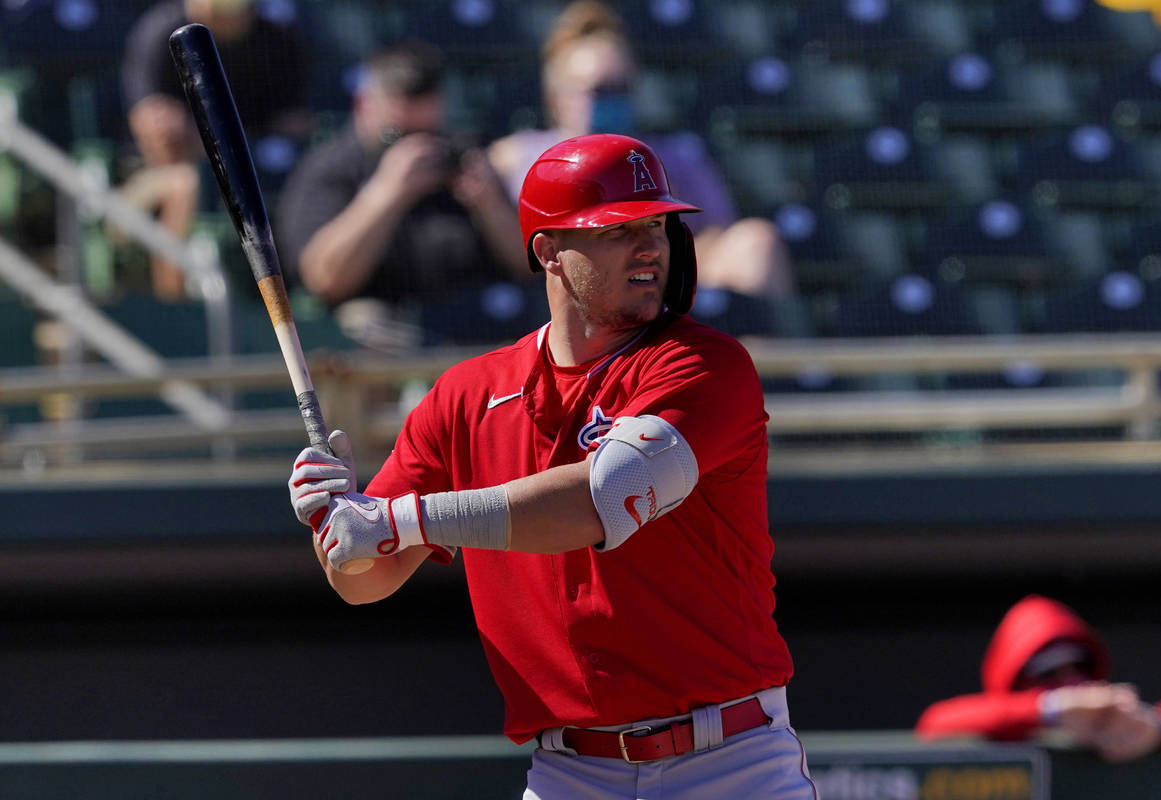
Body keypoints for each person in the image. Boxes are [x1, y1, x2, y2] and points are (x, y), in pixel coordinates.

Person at [287, 133, 816, 799]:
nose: (650, 245)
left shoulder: (703, 364)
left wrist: (396, 518)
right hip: (570, 772)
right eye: (617, 229)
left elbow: (604, 497)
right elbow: (366, 579)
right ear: (548, 253)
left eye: (655, 224)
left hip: (728, 763)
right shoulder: (465, 396)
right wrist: (335, 523)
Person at [487, 0, 794, 298]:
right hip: (570, 291)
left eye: (622, 89)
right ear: (556, 97)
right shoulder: (515, 157)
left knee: (757, 241)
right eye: (599, 90)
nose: (612, 100)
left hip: (660, 280)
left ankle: (748, 350)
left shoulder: (676, 155)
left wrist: (665, 216)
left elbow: (718, 231)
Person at [274, 40, 530, 351]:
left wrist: (489, 204)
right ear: (363, 106)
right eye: (396, 135)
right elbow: (324, 280)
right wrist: (386, 193)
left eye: (425, 131)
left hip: (472, 321)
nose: (415, 145)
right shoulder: (330, 170)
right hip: (380, 326)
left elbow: (528, 263)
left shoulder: (463, 157)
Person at [121, 0, 312, 300]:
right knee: (186, 183)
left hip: (245, 164)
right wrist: (212, 149)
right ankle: (176, 306)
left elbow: (296, 123)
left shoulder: (275, 38)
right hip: (153, 175)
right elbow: (155, 134)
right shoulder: (164, 31)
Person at [916, 594, 1161, 762]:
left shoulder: (1115, 727)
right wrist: (1053, 709)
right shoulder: (1000, 729)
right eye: (1048, 671)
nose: (1071, 679)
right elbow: (936, 722)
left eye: (1080, 665)